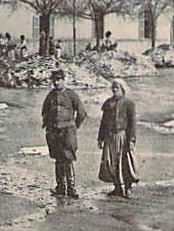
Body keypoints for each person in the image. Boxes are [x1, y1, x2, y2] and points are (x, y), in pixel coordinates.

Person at [42, 69, 87, 199]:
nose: (56, 83)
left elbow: (82, 113)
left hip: (68, 132)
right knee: (58, 159)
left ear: (64, 80)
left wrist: (74, 126)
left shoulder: (72, 95)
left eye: (59, 80)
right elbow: (45, 112)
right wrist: (48, 127)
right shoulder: (50, 96)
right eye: (54, 80)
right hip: (53, 132)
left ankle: (71, 188)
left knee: (68, 159)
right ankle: (60, 187)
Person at [98, 79, 139, 199]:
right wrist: (101, 138)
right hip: (110, 137)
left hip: (123, 136)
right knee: (111, 162)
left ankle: (127, 188)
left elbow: (133, 123)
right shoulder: (108, 103)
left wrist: (131, 140)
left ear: (123, 89)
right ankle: (117, 188)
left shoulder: (129, 103)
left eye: (117, 88)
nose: (115, 90)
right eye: (113, 88)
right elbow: (103, 123)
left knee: (125, 162)